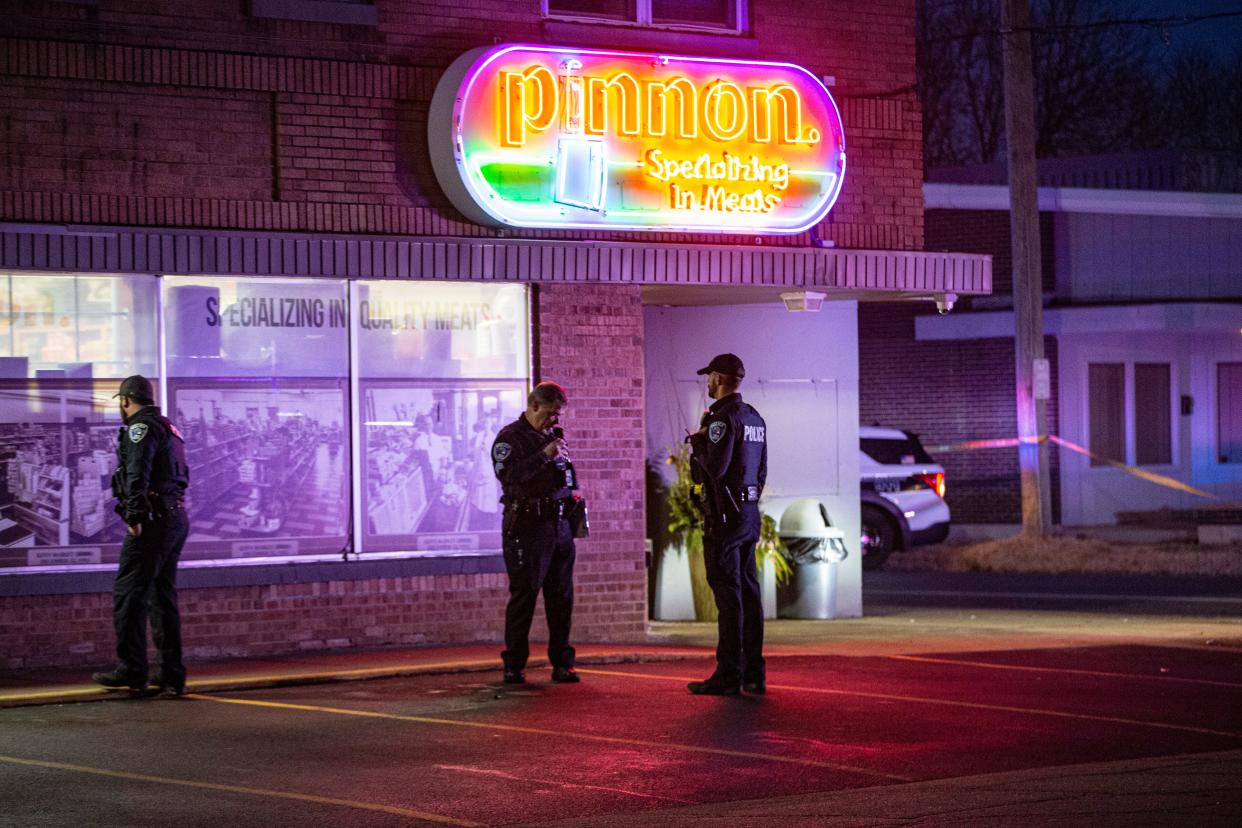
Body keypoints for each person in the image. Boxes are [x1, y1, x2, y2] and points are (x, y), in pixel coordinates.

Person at [92, 375, 191, 697]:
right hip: (174, 517)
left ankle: (132, 668)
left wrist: (135, 517)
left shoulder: (140, 428)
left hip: (152, 521)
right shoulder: (169, 426)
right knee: (162, 598)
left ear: (125, 401)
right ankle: (171, 676)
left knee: (129, 594)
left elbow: (137, 473)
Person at [686, 353, 768, 696]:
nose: (707, 383)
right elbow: (761, 470)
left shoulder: (721, 419)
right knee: (749, 593)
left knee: (728, 595)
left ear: (719, 378)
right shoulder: (754, 418)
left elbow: (715, 468)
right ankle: (753, 672)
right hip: (748, 513)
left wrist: (698, 441)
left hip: (724, 516)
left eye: (709, 377)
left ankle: (728, 673)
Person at [491, 381, 580, 685]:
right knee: (524, 596)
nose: (556, 420)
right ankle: (514, 665)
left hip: (558, 526)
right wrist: (545, 455)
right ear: (534, 406)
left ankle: (562, 663)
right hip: (527, 527)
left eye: (559, 415)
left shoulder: (552, 438)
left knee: (561, 598)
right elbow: (508, 475)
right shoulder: (510, 438)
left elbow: (565, 475)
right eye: (552, 413)